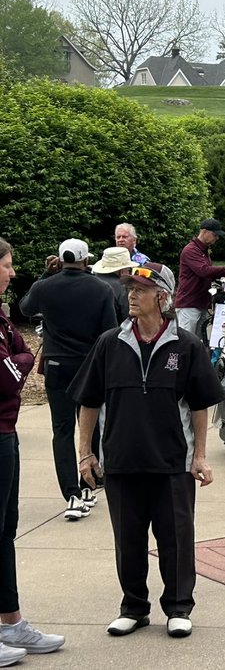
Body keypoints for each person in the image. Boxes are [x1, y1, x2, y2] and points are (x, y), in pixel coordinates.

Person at [72, 262, 222, 639]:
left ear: (163, 297)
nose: (131, 296)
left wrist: (200, 456)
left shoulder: (187, 346)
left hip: (172, 463)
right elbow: (88, 402)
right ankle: (134, 607)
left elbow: (201, 405)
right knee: (128, 541)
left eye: (140, 289)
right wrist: (85, 453)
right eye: (129, 289)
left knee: (176, 540)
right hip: (121, 462)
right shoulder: (109, 343)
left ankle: (178, 607)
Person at [0, 238, 67, 662]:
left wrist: (18, 359)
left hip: (7, 431)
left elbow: (18, 356)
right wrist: (20, 360)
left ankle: (12, 622)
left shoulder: (3, 318)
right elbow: (9, 375)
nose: (11, 273)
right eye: (6, 265)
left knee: (6, 530)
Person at [18, 238, 118, 521]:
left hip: (57, 365)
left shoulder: (45, 287)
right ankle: (89, 483)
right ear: (87, 260)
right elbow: (109, 331)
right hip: (88, 366)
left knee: (61, 430)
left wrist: (45, 275)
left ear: (60, 259)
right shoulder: (100, 288)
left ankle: (71, 494)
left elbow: (25, 308)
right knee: (91, 425)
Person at [175, 218, 225, 338]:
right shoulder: (191, 250)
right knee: (186, 341)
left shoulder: (202, 251)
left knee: (198, 342)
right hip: (188, 305)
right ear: (204, 231)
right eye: (215, 235)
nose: (217, 238)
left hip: (199, 303)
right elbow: (204, 271)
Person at [92, 246, 137, 323]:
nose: (129, 273)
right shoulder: (123, 288)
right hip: (113, 333)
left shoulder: (89, 282)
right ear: (122, 271)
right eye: (129, 269)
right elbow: (128, 318)